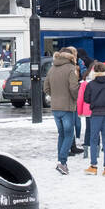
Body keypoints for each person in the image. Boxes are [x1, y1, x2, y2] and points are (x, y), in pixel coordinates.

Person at [44, 47, 79, 175]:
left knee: (62, 135)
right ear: (70, 57)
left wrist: (55, 96)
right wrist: (75, 98)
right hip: (67, 107)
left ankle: (61, 161)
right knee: (69, 135)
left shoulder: (52, 68)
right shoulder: (70, 69)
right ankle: (62, 162)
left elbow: (46, 87)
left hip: (55, 107)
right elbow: (74, 88)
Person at [81, 61, 105, 175]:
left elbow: (86, 99)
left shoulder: (91, 84)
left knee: (94, 140)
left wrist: (94, 100)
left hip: (95, 114)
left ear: (94, 71)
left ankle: (93, 166)